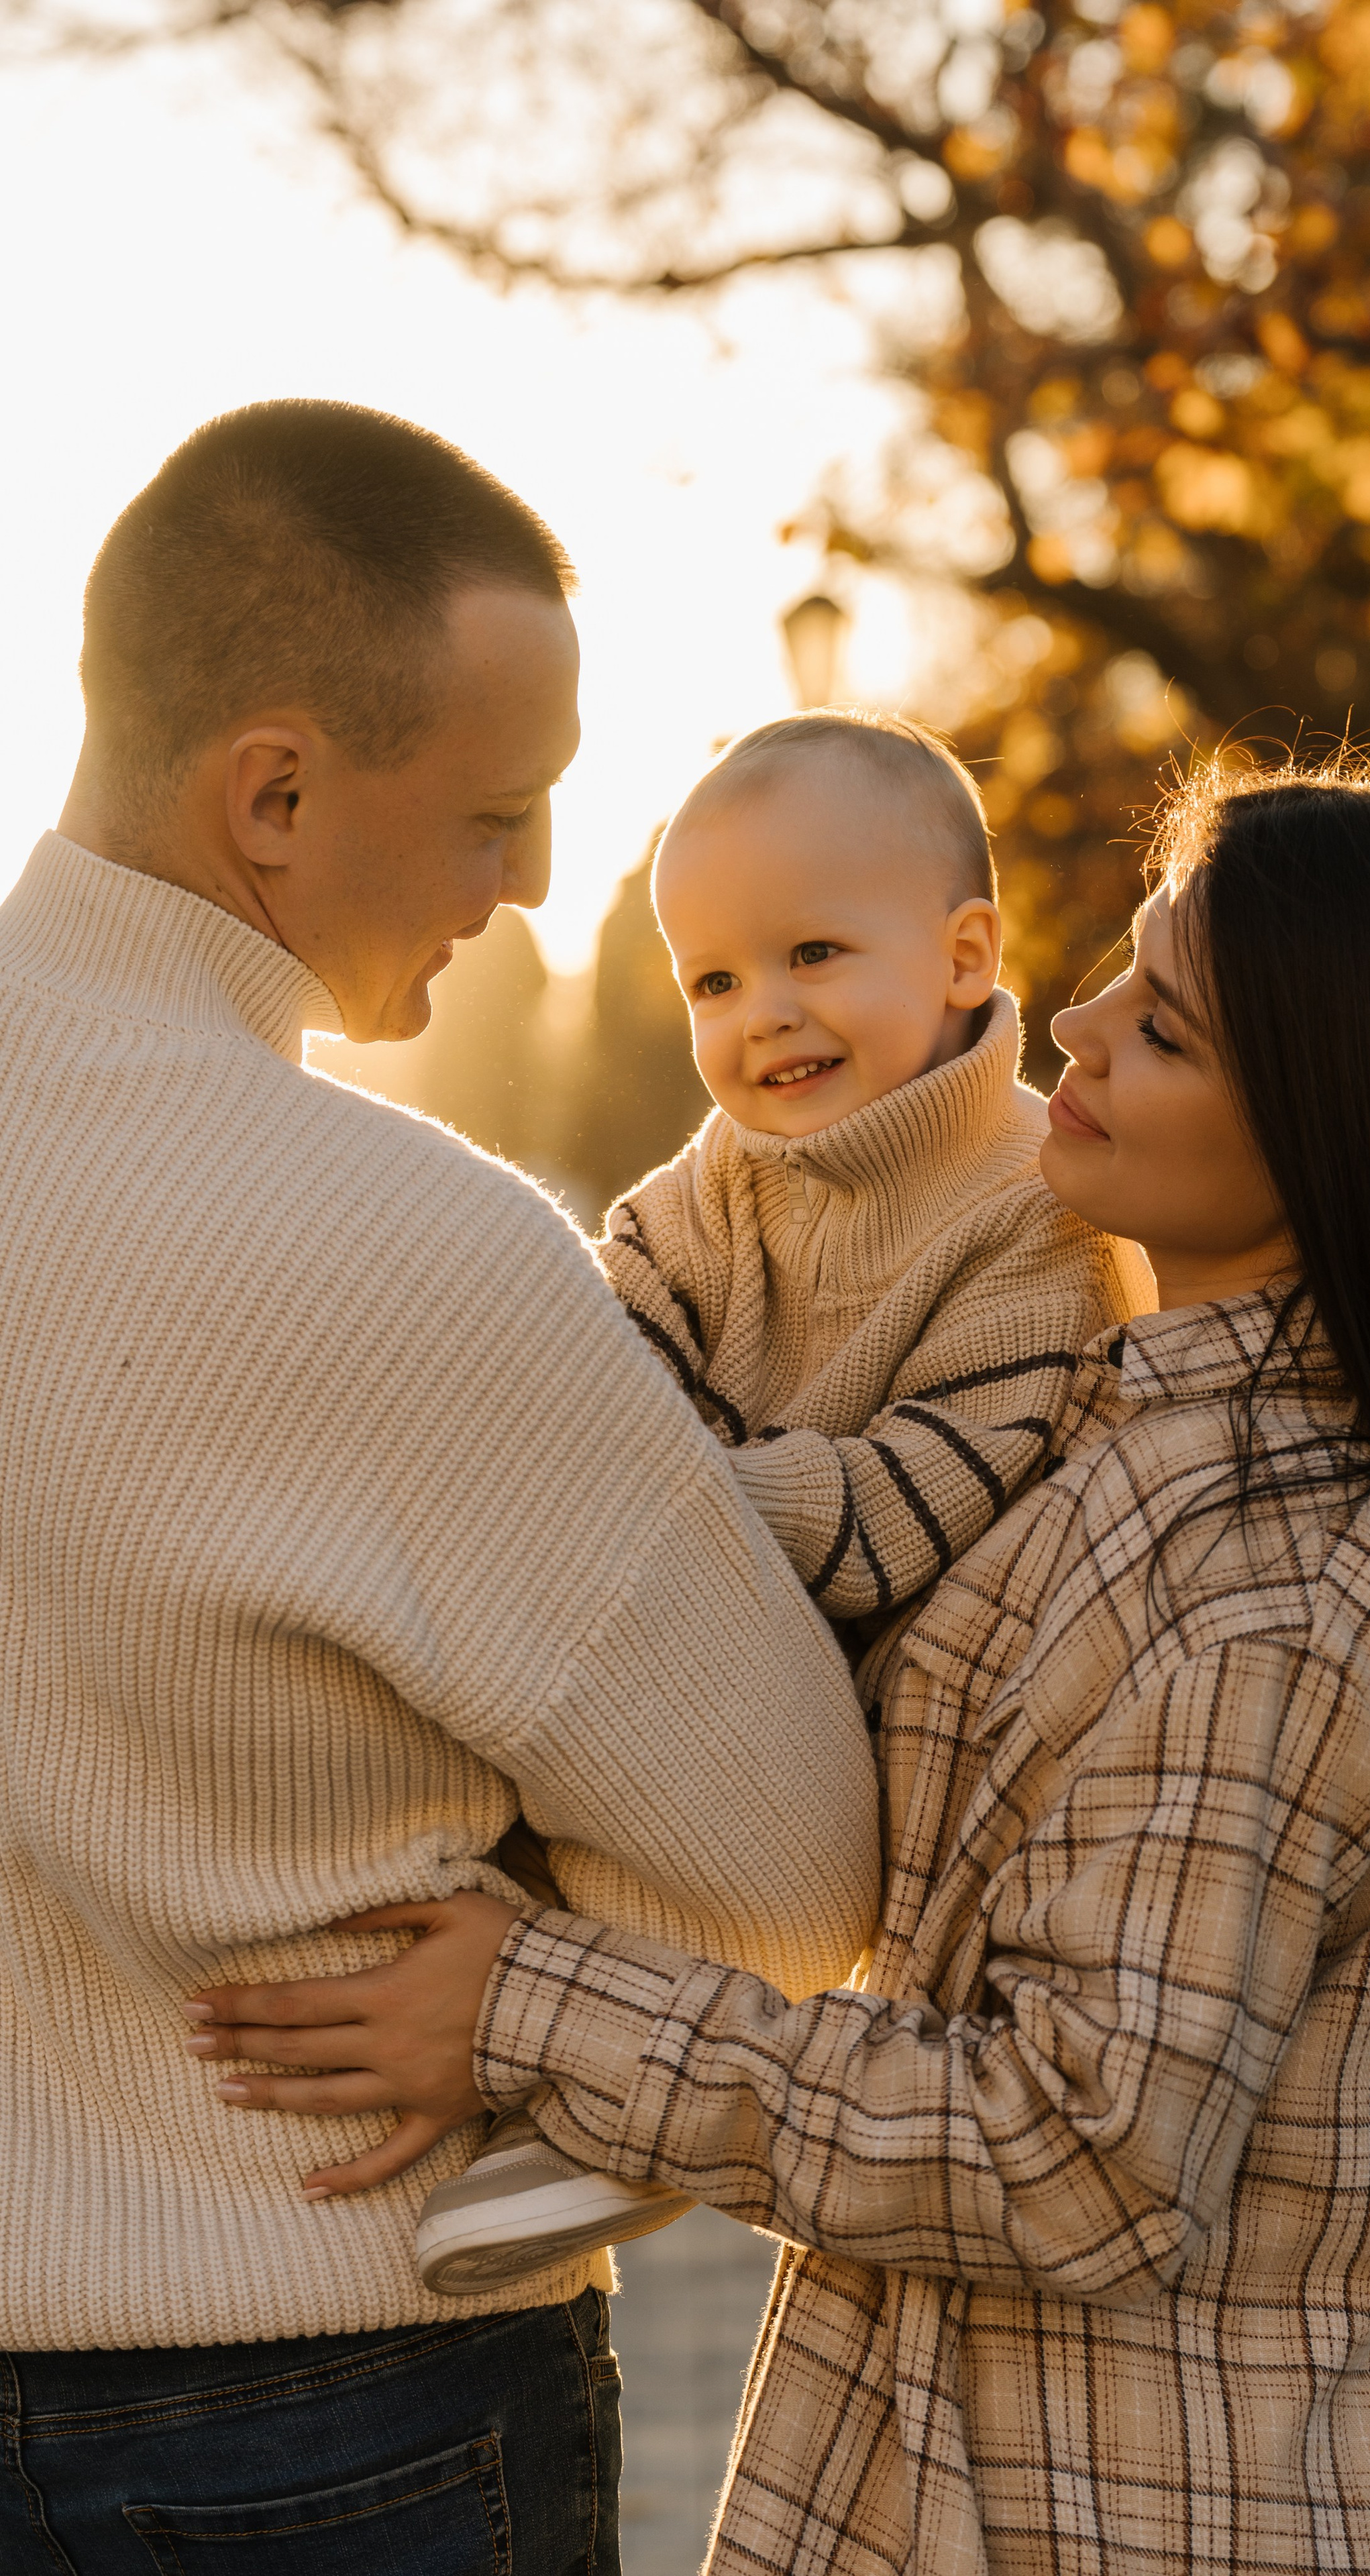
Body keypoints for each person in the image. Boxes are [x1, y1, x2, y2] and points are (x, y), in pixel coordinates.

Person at [185, 767, 1370, 2574]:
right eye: (1121, 978)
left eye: (1166, 1026)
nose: (1072, 1025)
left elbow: (1079, 2152)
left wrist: (538, 2008)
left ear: (1347, 1126)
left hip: (1142, 2509)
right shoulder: (1142, 1437)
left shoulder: (1283, 1588)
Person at [0, 399, 879, 2573]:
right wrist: (532, 2006)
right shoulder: (407, 1252)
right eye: (502, 812)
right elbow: (788, 1875)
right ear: (275, 793)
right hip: (316, 2426)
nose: (543, 888)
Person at [417, 710, 1153, 2290]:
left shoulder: (1039, 1222)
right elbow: (594, 1369)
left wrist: (656, 1506)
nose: (766, 1016)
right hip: (717, 1629)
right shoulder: (706, 1188)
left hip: (889, 1706)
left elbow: (916, 1504)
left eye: (814, 952)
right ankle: (497, 2012)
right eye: (715, 981)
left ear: (965, 955)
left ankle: (624, 2104)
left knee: (675, 1734)